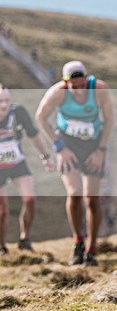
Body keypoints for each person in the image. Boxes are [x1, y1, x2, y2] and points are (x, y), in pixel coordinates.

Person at [35, 61, 114, 266]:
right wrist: (60, 147)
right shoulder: (57, 93)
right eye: (74, 86)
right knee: (74, 193)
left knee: (92, 200)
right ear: (66, 82)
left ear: (87, 79)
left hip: (93, 145)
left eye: (82, 84)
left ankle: (92, 249)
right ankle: (78, 241)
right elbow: (41, 118)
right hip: (68, 144)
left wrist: (100, 151)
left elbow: (109, 121)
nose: (79, 89)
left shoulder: (99, 89)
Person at [0, 84, 55, 254]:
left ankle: (25, 239)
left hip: (17, 163)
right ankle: (1, 246)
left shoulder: (18, 113)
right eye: (0, 101)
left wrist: (46, 157)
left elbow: (34, 134)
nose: (4, 105)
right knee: (2, 211)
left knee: (30, 200)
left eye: (7, 101)